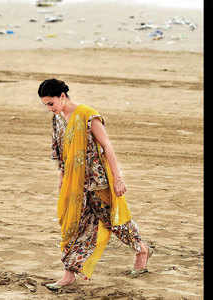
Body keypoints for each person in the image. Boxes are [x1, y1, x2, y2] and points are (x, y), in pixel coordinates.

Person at [38, 79, 153, 290]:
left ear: (62, 96)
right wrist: (62, 179)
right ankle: (69, 273)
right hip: (75, 184)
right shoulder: (58, 120)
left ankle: (141, 249)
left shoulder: (88, 115)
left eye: (50, 103)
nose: (49, 109)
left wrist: (118, 178)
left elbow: (107, 146)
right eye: (45, 104)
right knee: (73, 227)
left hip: (98, 182)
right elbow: (61, 154)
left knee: (114, 223)